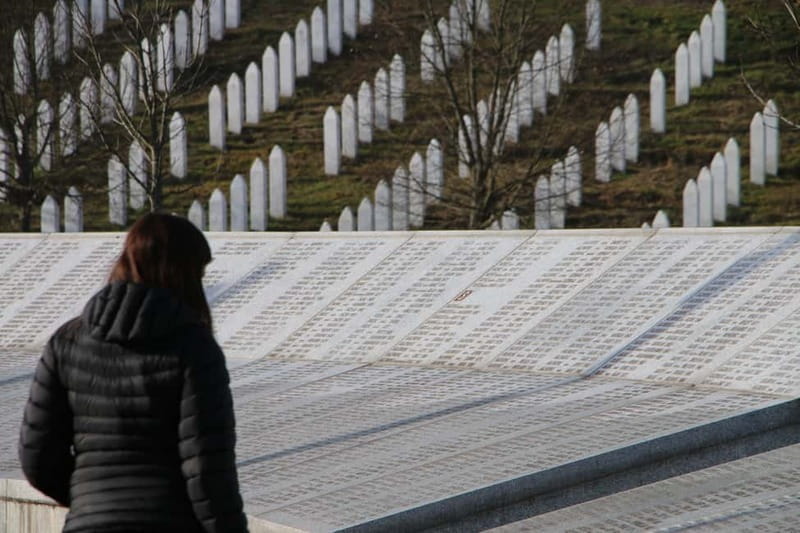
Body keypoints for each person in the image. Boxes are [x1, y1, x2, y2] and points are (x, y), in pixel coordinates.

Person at [19, 213, 248, 533]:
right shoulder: (193, 349)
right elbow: (207, 471)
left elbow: (37, 457)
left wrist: (92, 501)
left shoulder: (66, 342)